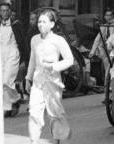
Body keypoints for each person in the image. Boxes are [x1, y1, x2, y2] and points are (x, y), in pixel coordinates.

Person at [25, 9, 74, 144]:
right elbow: (32, 59)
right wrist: (28, 78)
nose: (40, 24)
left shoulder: (58, 40)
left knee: (55, 113)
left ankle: (58, 139)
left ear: (52, 24)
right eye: (39, 22)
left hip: (53, 81)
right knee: (34, 112)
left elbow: (70, 59)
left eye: (44, 22)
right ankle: (34, 140)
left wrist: (54, 66)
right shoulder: (34, 39)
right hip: (38, 81)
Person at [0, 2, 27, 117]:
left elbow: (23, 42)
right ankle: (11, 104)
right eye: (2, 10)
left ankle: (14, 101)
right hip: (0, 55)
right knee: (1, 83)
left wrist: (25, 59)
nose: (4, 13)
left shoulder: (16, 25)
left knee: (7, 81)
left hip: (13, 54)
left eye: (6, 10)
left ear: (10, 12)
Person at [88, 8, 114, 87]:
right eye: (107, 15)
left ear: (113, 16)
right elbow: (97, 39)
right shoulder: (103, 26)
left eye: (110, 15)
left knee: (112, 66)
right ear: (104, 17)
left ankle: (111, 83)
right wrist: (92, 52)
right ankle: (107, 84)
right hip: (103, 48)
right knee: (106, 66)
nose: (109, 17)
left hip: (113, 49)